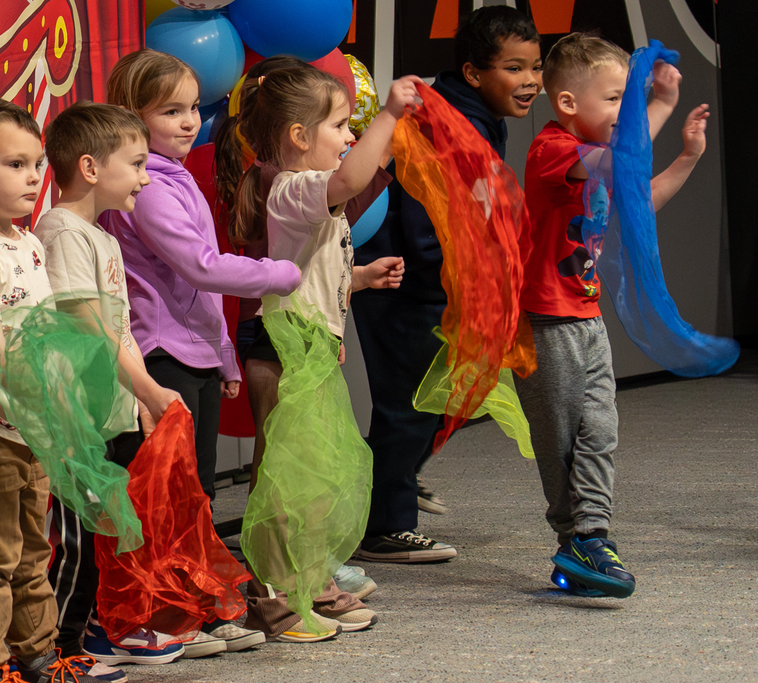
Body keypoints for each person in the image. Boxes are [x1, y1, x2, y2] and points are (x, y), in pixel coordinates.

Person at [517, 33, 708, 598]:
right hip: (545, 323)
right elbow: (619, 162)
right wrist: (662, 107)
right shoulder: (551, 151)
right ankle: (573, 538)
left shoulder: (595, 159)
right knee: (559, 443)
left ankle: (593, 536)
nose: (625, 113)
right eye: (615, 101)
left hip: (586, 316)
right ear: (569, 104)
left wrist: (688, 156)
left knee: (600, 431)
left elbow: (635, 196)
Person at [351, 5, 542, 564]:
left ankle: (396, 479)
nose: (530, 80)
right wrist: (449, 284)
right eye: (514, 68)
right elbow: (423, 215)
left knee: (456, 394)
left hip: (436, 274)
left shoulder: (475, 111)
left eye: (535, 66)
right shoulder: (443, 122)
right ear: (474, 71)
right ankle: (385, 524)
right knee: (409, 401)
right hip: (406, 276)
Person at [230, 63, 410, 642]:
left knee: (312, 477)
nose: (349, 138)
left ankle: (306, 579)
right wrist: (388, 116)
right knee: (288, 479)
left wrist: (358, 278)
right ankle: (272, 593)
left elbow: (307, 273)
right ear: (300, 137)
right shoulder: (292, 186)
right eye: (339, 126)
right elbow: (352, 179)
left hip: (309, 347)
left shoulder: (306, 198)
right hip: (285, 350)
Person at [0, 95, 104, 683]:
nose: (34, 176)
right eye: (15, 164)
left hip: (30, 428)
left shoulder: (29, 243)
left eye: (37, 164)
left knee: (34, 554)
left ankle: (37, 656)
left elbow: (43, 334)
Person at [100, 49, 301, 512]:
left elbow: (199, 291)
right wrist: (280, 274)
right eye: (171, 111)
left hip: (194, 356)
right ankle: (171, 584)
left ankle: (196, 581)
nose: (190, 121)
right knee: (170, 492)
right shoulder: (149, 187)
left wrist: (221, 355)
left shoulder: (178, 177)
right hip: (161, 355)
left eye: (192, 108)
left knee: (199, 491)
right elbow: (202, 266)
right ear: (133, 117)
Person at [33, 100, 186, 672]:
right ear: (91, 167)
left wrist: (137, 395)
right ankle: (58, 647)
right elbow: (86, 323)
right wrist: (147, 389)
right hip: (77, 417)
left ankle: (93, 628)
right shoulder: (63, 232)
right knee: (74, 538)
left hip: (111, 410)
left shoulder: (100, 237)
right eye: (138, 164)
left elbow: (119, 328)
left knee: (110, 529)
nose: (146, 178)